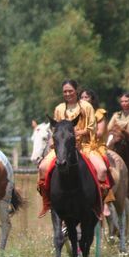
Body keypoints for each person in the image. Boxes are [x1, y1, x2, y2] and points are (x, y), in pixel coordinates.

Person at [37, 79, 109, 218]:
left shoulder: (87, 107)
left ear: (76, 91)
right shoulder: (59, 109)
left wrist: (76, 133)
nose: (68, 93)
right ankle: (48, 203)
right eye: (65, 91)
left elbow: (92, 128)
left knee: (102, 169)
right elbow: (56, 129)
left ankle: (97, 203)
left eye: (70, 91)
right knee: (42, 168)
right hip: (62, 148)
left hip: (85, 146)